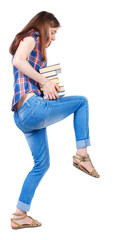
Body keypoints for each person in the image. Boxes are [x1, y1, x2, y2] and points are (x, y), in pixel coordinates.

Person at [9, 11, 100, 230]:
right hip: (30, 108)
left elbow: (29, 72)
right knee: (82, 102)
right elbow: (18, 60)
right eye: (53, 32)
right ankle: (82, 155)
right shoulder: (32, 37)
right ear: (42, 27)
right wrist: (44, 81)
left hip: (24, 117)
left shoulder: (38, 52)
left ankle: (20, 215)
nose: (54, 37)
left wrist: (48, 85)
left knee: (42, 164)